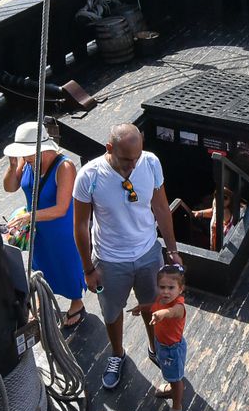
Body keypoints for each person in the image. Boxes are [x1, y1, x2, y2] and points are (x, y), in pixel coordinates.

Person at [73, 122, 183, 390]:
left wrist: (172, 250)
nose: (132, 165)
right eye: (125, 160)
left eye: (136, 158)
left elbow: (160, 207)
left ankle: (155, 347)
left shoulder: (150, 163)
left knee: (152, 305)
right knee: (112, 313)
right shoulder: (89, 176)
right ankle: (117, 353)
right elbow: (80, 225)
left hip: (148, 253)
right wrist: (88, 269)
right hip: (109, 260)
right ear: (109, 148)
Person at [2, 121, 87, 330]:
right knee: (40, 265)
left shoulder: (64, 167)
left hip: (60, 229)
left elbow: (61, 208)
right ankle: (42, 298)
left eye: (28, 153)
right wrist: (13, 165)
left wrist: (29, 216)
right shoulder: (26, 162)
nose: (25, 157)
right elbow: (10, 188)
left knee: (66, 265)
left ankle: (77, 302)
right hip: (37, 228)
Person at [131, 264, 189, 411]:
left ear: (180, 289)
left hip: (172, 350)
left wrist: (162, 314)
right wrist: (142, 307)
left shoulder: (178, 306)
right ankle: (171, 386)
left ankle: (176, 408)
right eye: (162, 287)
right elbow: (155, 306)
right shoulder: (161, 300)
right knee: (169, 372)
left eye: (171, 288)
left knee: (177, 379)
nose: (165, 292)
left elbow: (171, 312)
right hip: (162, 345)